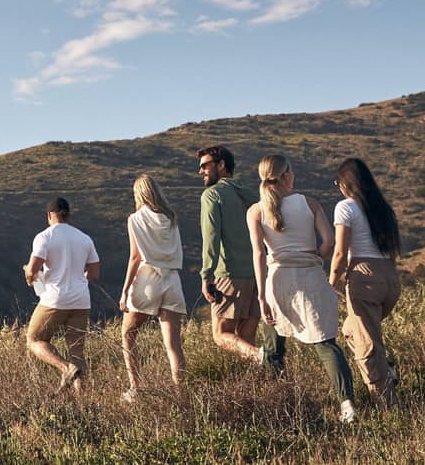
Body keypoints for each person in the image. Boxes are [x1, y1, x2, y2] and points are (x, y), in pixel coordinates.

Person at [247, 154, 358, 424]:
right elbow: (329, 241)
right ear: (286, 176)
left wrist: (261, 296)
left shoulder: (256, 210)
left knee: (273, 347)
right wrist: (313, 256)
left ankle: (278, 405)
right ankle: (347, 405)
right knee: (325, 344)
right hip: (310, 277)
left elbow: (258, 255)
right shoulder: (310, 203)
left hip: (277, 281)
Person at [198, 145, 286, 371]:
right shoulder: (250, 193)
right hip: (258, 274)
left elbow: (212, 237)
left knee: (221, 335)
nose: (201, 171)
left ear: (221, 165)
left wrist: (207, 275)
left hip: (229, 273)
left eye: (205, 165)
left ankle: (261, 357)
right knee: (245, 336)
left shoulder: (212, 194)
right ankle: (258, 383)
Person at [328, 157, 402, 408]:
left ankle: (387, 405)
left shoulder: (345, 208)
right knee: (352, 330)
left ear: (346, 184)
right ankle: (386, 373)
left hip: (363, 275)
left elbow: (340, 252)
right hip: (390, 277)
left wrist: (332, 284)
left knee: (368, 344)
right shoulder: (382, 208)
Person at [117, 174, 187, 402]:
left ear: (139, 194)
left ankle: (135, 388)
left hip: (147, 278)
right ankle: (181, 394)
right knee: (173, 344)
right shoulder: (171, 218)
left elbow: (135, 257)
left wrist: (125, 289)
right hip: (172, 280)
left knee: (128, 334)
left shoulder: (135, 219)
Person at [24, 196, 100, 393]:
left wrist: (30, 275)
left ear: (50, 215)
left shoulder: (45, 237)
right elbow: (94, 274)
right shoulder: (84, 238)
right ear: (68, 215)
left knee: (33, 339)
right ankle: (83, 401)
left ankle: (65, 368)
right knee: (77, 351)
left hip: (55, 299)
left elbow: (33, 268)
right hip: (81, 300)